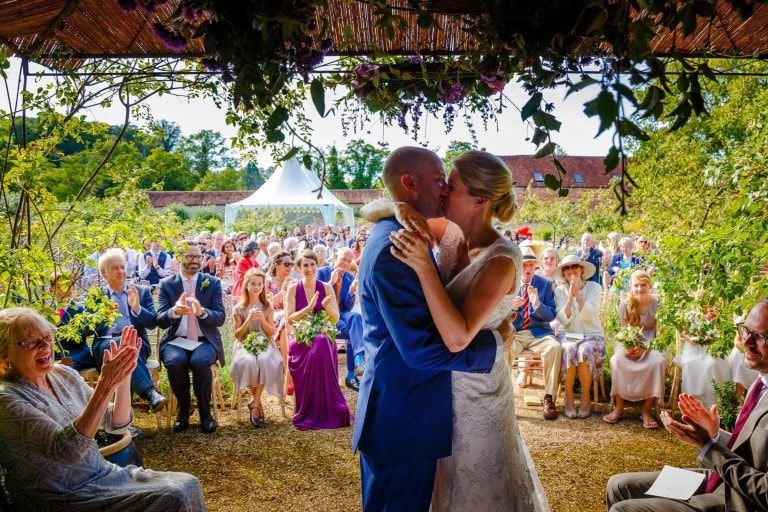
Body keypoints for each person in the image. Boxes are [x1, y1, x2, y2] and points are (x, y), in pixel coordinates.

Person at [387, 150, 543, 511]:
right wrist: (399, 209)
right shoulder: (451, 233)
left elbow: (458, 337)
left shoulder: (501, 260)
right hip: (440, 387)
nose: (442, 192)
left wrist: (424, 268)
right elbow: (373, 207)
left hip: (479, 396)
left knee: (478, 488)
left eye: (451, 186)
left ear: (479, 200)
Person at [352, 147, 503, 512]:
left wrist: (394, 206)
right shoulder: (396, 248)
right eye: (440, 181)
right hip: (403, 417)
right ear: (409, 182)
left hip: (407, 409)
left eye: (450, 184)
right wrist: (494, 346)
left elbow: (370, 207)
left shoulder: (404, 228)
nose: (444, 190)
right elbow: (420, 349)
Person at [0, 308, 206, 511]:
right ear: (4, 356)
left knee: (188, 484)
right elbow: (67, 451)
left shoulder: (63, 374)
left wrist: (124, 377)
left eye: (47, 337)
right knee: (174, 496)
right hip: (60, 496)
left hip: (102, 476)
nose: (45, 346)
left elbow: (116, 424)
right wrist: (105, 385)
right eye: (31, 342)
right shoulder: (6, 398)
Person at [606, 298, 768, 512]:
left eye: (760, 337)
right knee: (617, 485)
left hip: (740, 502)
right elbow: (752, 449)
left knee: (624, 510)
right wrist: (714, 435)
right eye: (746, 331)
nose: (746, 342)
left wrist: (709, 447)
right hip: (720, 479)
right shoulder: (762, 382)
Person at [157, 241, 226, 434]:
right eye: (190, 256)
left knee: (200, 362)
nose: (195, 261)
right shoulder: (167, 285)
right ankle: (183, 410)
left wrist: (202, 312)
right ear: (179, 258)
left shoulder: (212, 283)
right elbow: (161, 320)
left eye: (198, 257)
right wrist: (175, 311)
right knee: (175, 362)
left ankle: (206, 415)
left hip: (204, 341)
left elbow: (220, 317)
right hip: (176, 340)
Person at [91, 248, 167, 413]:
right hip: (106, 345)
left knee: (126, 347)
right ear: (104, 273)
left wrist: (137, 308)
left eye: (122, 267)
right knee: (120, 346)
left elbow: (153, 323)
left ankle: (121, 423)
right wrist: (101, 316)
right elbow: (87, 330)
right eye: (115, 268)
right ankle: (150, 393)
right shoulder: (97, 297)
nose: (121, 271)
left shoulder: (141, 291)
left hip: (137, 345)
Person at [284, 249, 351, 430]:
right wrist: (308, 309)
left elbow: (336, 318)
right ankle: (311, 407)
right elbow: (289, 318)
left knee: (321, 341)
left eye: (312, 264)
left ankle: (328, 406)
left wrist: (325, 307)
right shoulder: (292, 288)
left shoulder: (326, 287)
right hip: (300, 337)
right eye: (305, 265)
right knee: (319, 343)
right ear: (299, 268)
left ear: (317, 265)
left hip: (322, 334)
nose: (309, 268)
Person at [604, 270, 667, 429]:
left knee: (658, 362)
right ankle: (619, 407)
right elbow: (625, 331)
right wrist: (630, 347)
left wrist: (645, 348)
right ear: (632, 287)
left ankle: (646, 411)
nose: (640, 289)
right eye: (636, 285)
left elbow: (660, 335)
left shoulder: (658, 305)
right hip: (629, 340)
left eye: (643, 285)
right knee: (617, 360)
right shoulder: (625, 304)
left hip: (652, 342)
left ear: (650, 287)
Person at [510, 246, 562, 420]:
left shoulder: (545, 285)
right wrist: (511, 308)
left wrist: (538, 304)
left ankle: (549, 397)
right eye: (524, 264)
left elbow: (551, 315)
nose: (527, 268)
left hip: (538, 332)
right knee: (502, 348)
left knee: (554, 347)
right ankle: (505, 398)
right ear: (518, 266)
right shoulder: (509, 283)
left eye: (531, 265)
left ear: (534, 267)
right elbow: (498, 312)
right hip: (515, 332)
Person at [552, 254, 605, 419]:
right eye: (566, 268)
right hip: (568, 334)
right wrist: (569, 297)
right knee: (568, 349)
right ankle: (568, 398)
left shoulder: (594, 288)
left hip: (591, 334)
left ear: (581, 269)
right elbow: (562, 319)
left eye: (574, 266)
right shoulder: (559, 291)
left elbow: (590, 315)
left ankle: (585, 397)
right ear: (563, 273)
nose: (570, 270)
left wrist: (578, 296)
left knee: (585, 351)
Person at [230, 269, 284, 428]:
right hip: (244, 343)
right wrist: (248, 321)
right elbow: (238, 336)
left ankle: (255, 402)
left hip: (264, 342)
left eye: (259, 284)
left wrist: (261, 318)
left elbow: (271, 333)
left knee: (264, 359)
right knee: (248, 361)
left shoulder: (267, 306)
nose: (256, 287)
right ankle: (257, 404)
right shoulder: (239, 308)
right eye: (253, 283)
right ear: (246, 285)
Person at [317, 247, 364, 391]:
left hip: (342, 314)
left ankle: (358, 362)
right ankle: (352, 373)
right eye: (343, 259)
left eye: (349, 261)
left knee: (356, 317)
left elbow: (347, 307)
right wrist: (330, 282)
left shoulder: (349, 277)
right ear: (335, 256)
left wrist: (351, 291)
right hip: (325, 314)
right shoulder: (323, 272)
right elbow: (315, 298)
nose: (345, 264)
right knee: (353, 333)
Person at [266, 250, 296, 394]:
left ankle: (297, 374)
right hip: (272, 317)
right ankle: (288, 376)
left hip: (290, 317)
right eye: (286, 264)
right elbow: (266, 305)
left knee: (289, 320)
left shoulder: (294, 281)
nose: (290, 267)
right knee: (285, 322)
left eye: (292, 264)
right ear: (277, 266)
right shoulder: (267, 282)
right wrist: (283, 291)